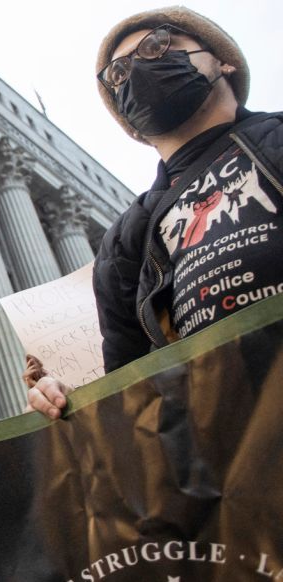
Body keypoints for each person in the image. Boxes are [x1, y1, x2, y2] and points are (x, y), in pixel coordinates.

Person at [28, 8, 281, 420]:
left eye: (157, 46)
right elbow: (132, 392)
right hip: (232, 445)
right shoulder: (127, 240)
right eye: (120, 74)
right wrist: (74, 401)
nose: (139, 70)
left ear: (223, 60)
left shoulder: (275, 139)